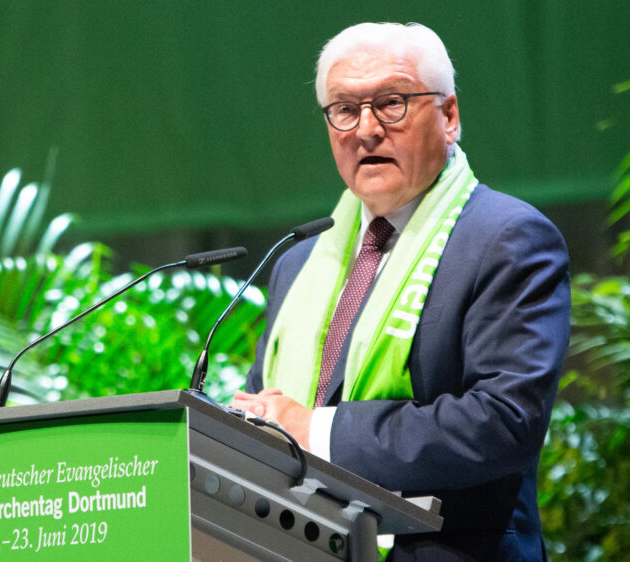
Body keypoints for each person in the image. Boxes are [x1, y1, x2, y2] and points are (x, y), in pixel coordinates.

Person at [230, 22, 570, 561]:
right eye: (344, 109)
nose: (366, 129)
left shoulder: (506, 239)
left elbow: (503, 422)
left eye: (391, 103)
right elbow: (272, 411)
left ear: (449, 116)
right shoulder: (299, 262)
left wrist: (313, 430)